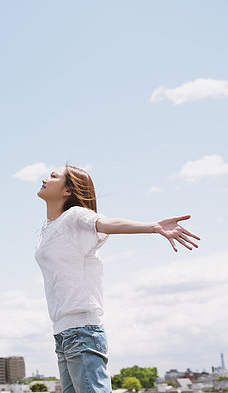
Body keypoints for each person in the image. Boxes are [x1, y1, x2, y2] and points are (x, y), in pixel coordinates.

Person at [34, 164, 200, 393]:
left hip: (82, 331)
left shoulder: (75, 216)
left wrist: (153, 227)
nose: (45, 179)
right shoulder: (48, 230)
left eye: (53, 177)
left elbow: (105, 224)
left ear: (67, 191)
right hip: (63, 333)